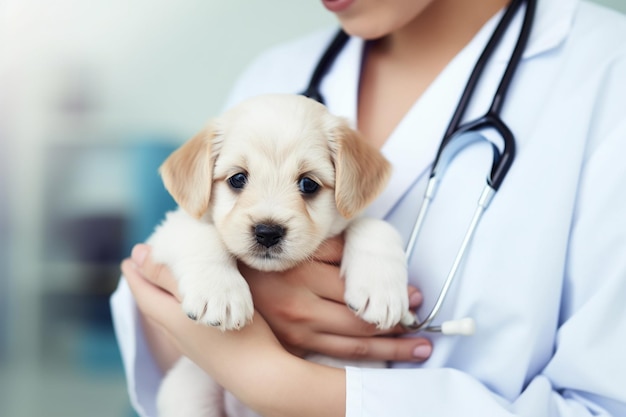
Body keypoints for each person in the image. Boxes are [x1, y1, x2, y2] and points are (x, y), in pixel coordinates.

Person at [111, 0, 626, 416]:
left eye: (309, 184)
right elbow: (162, 335)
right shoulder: (276, 71)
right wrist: (224, 311)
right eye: (240, 180)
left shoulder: (606, 71)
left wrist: (277, 381)